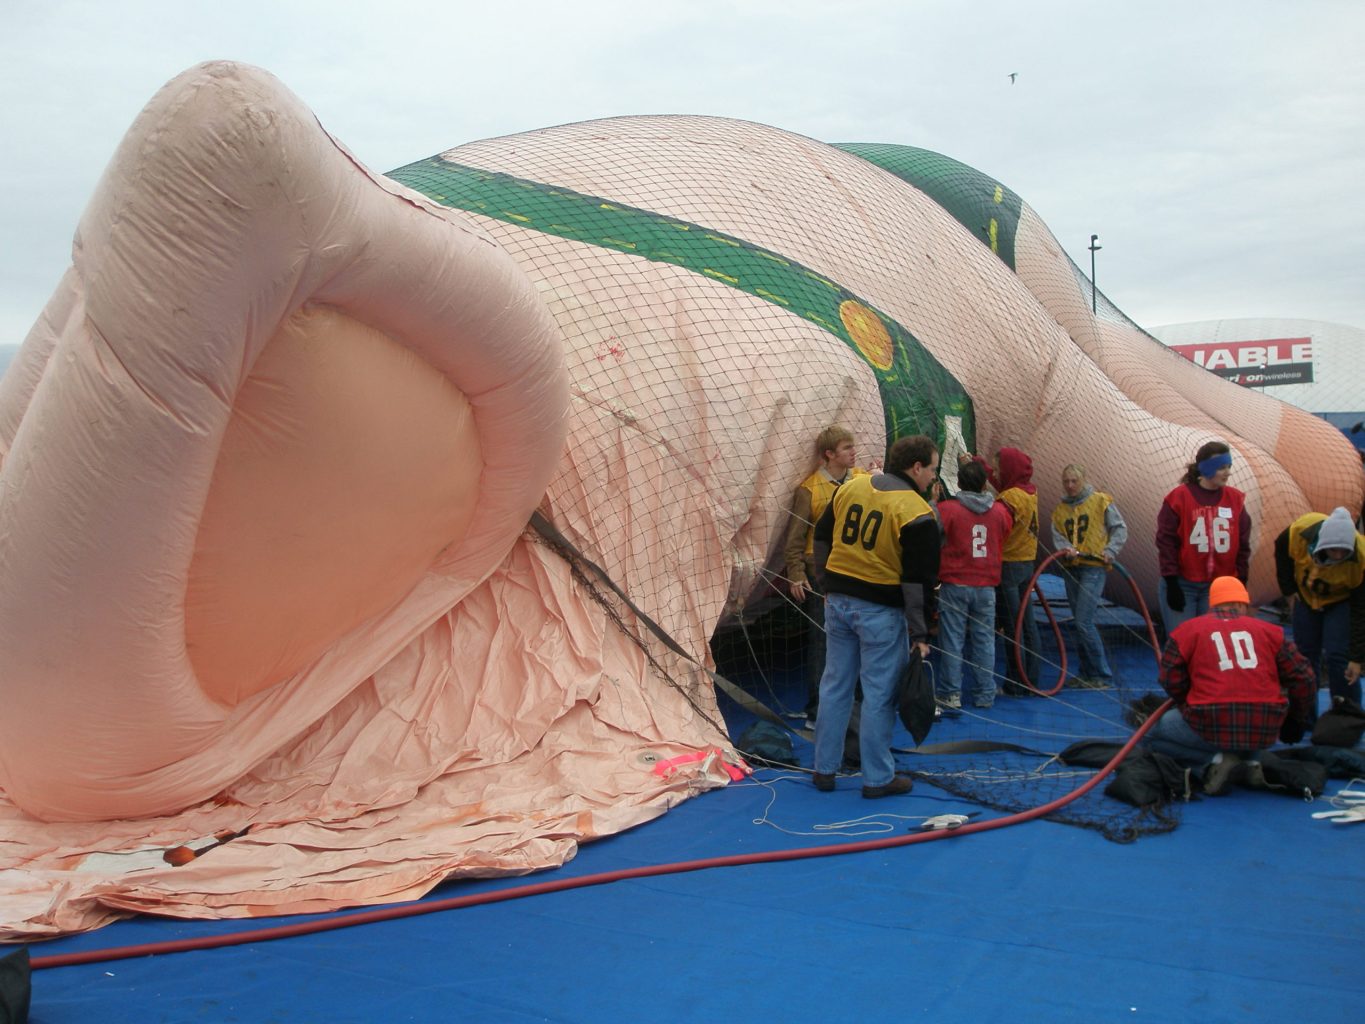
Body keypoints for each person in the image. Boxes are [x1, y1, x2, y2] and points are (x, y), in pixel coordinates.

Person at [810, 434, 941, 797]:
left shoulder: (851, 487)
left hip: (838, 603)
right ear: (916, 467)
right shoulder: (916, 512)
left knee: (834, 685)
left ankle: (824, 769)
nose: (933, 476)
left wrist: (826, 584)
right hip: (880, 612)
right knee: (878, 694)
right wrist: (921, 636)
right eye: (932, 468)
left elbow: (821, 538)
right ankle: (878, 778)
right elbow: (919, 583)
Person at [1145, 576, 1316, 795]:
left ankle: (1212, 761)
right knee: (1249, 716)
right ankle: (1251, 762)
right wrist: (1296, 719)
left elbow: (1170, 678)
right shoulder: (1271, 632)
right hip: (1265, 728)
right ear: (1242, 604)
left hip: (1210, 722)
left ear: (1212, 604)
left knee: (1153, 737)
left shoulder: (1188, 630)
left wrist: (1187, 702)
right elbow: (1305, 677)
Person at [782, 425, 869, 728]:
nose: (853, 452)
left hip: (856, 567)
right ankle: (816, 709)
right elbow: (795, 538)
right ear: (828, 455)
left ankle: (857, 708)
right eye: (846, 448)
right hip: (820, 569)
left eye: (852, 447)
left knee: (859, 634)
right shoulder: (810, 490)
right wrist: (795, 574)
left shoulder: (863, 479)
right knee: (823, 638)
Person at [1274, 506, 1365, 716]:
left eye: (1344, 551)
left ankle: (1346, 716)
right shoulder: (1299, 531)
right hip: (1306, 597)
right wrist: (1288, 591)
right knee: (1305, 654)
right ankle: (1304, 715)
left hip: (1341, 601)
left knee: (1338, 656)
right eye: (1334, 550)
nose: (1339, 555)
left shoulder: (1361, 558)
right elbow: (1280, 550)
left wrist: (1357, 658)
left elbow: (1361, 610)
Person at [936, 461, 1013, 709]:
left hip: (955, 584)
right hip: (986, 586)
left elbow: (930, 528)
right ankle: (984, 694)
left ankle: (950, 693)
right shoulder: (1000, 511)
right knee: (984, 640)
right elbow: (1005, 532)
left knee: (952, 640)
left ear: (958, 483)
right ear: (984, 484)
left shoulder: (947, 509)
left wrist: (931, 501)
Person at [1156, 440, 1251, 636]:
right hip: (1183, 583)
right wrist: (1171, 580)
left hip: (1217, 586)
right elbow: (1166, 541)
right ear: (1206, 468)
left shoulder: (1235, 500)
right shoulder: (1178, 498)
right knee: (1182, 640)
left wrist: (1241, 577)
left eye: (1229, 467)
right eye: (1221, 467)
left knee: (1212, 642)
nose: (1227, 472)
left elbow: (1243, 542)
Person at [1050, 463, 1128, 688]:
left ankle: (1101, 674)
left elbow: (1120, 529)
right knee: (1079, 621)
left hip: (1093, 567)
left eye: (1074, 481)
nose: (1070, 485)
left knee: (1083, 621)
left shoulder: (1100, 501)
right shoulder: (1060, 510)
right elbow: (1058, 535)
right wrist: (1065, 548)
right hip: (1071, 567)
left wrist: (1110, 550)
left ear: (1083, 480)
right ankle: (1086, 672)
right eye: (1066, 482)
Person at [994, 447, 1042, 694]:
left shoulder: (1009, 498)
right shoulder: (1030, 493)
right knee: (1029, 623)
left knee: (1013, 626)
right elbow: (1005, 488)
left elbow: (998, 523)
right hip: (1027, 563)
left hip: (1009, 565)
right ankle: (1032, 677)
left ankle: (1015, 682)